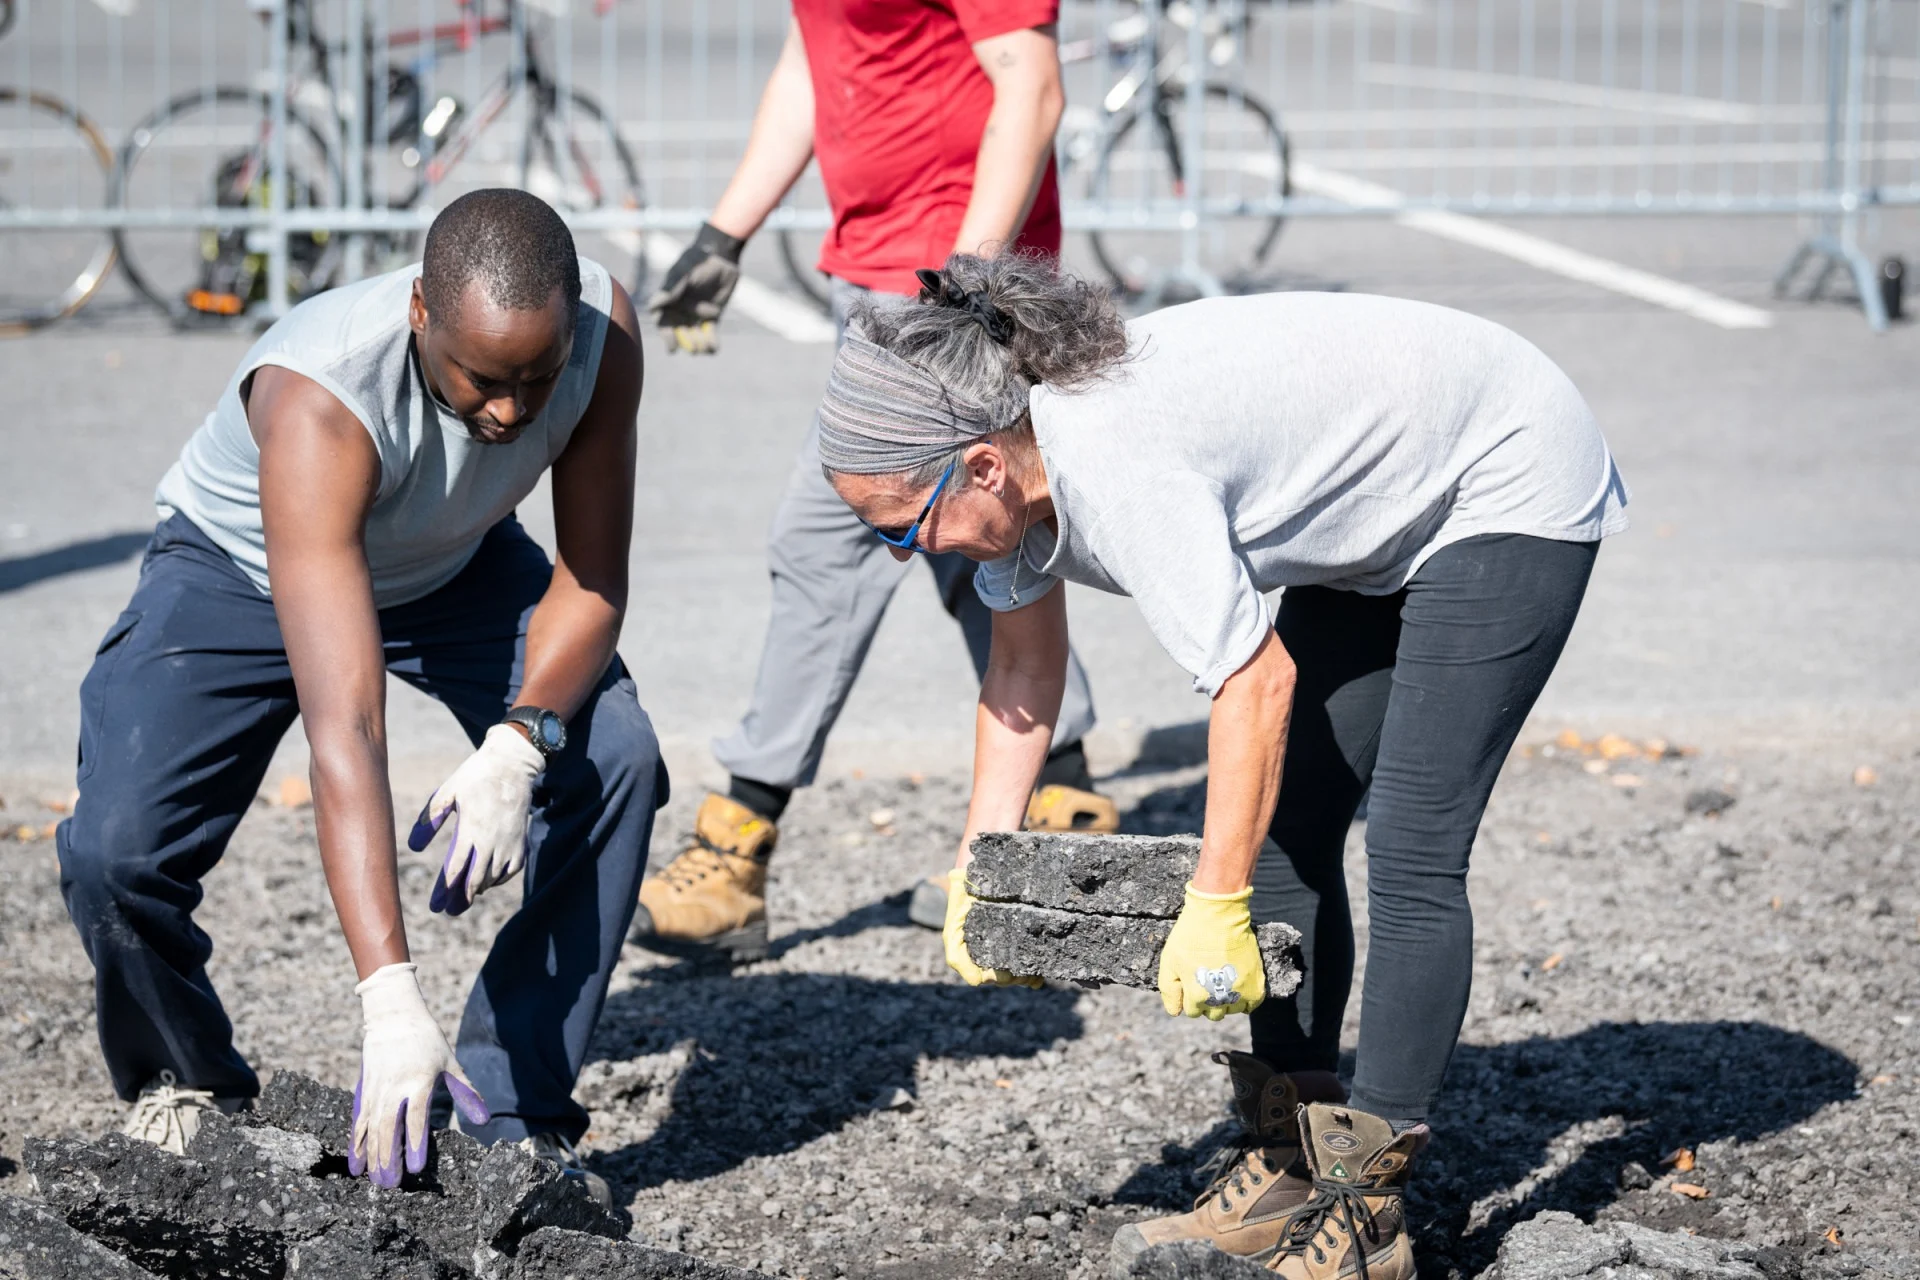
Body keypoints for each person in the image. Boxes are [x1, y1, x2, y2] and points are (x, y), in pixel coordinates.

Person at [817, 255, 1630, 1279]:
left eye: (904, 525)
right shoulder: (1013, 481)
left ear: (981, 464)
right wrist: (980, 865)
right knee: (1289, 836)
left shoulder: (1109, 464)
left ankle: (1366, 1219)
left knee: (1414, 849)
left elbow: (1256, 682)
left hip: (1503, 466)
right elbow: (1024, 668)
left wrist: (1214, 898)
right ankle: (1292, 1159)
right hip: (1376, 508)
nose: (905, 551)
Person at [55, 189, 662, 1206]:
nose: (511, 414)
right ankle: (187, 1077)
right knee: (115, 852)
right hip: (247, 568)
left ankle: (516, 1111)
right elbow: (347, 726)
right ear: (422, 312)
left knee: (614, 759)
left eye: (534, 380)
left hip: (452, 562)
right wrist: (388, 992)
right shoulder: (320, 396)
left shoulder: (600, 334)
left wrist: (521, 737)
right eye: (483, 379)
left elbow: (593, 577)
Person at [635, 0, 1117, 963]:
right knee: (965, 542)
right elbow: (817, 60)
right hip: (879, 274)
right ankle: (1064, 800)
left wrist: (965, 291)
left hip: (941, 277)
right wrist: (724, 232)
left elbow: (1032, 82)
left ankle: (738, 843)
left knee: (827, 541)